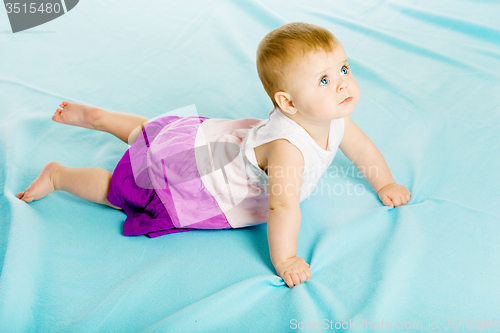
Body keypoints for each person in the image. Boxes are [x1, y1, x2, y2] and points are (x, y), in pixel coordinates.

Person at [16, 22, 411, 289]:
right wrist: (286, 258)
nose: (343, 84)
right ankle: (60, 176)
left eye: (344, 68)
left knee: (158, 137)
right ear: (287, 102)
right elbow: (283, 208)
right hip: (204, 181)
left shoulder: (335, 116)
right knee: (123, 191)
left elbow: (362, 149)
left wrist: (386, 181)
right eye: (325, 80)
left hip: (220, 145)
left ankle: (104, 119)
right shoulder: (289, 150)